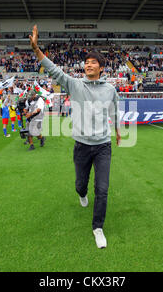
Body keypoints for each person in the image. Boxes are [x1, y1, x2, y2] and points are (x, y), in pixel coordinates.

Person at [30, 24, 121, 249]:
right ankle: (81, 194)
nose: (88, 65)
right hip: (81, 145)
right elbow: (55, 71)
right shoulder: (75, 84)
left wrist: (118, 130)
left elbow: (115, 111)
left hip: (103, 146)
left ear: (101, 67)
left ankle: (97, 227)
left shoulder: (110, 89)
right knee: (81, 185)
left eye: (93, 63)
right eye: (86, 62)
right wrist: (36, 50)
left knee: (102, 189)